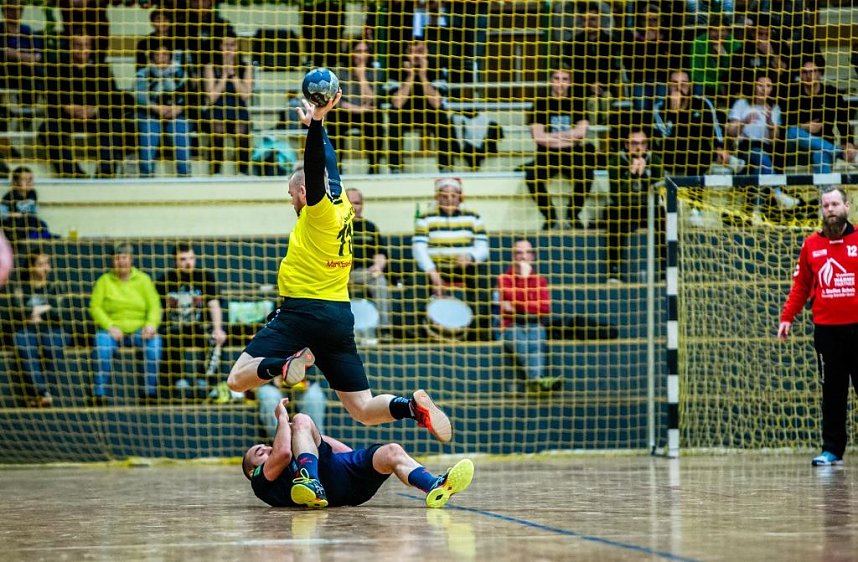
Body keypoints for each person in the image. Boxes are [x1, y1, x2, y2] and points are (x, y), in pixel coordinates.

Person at [227, 91, 453, 444]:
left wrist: (316, 121)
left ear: (303, 192)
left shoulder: (317, 211)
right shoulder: (343, 203)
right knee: (362, 409)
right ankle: (410, 407)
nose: (291, 201)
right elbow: (328, 164)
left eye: (291, 195)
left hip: (302, 311)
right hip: (337, 315)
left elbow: (316, 166)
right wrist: (317, 127)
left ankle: (285, 365)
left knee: (238, 379)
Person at [243, 396, 474, 508]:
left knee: (391, 451)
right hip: (321, 486)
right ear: (252, 470)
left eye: (263, 445)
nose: (266, 447)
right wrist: (283, 418)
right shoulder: (261, 481)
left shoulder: (300, 450)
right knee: (301, 417)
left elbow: (332, 447)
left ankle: (434, 485)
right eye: (259, 452)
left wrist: (353, 459)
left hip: (343, 480)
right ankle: (311, 483)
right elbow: (282, 452)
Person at [778, 186, 858, 467]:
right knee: (832, 394)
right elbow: (800, 286)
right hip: (827, 332)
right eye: (826, 205)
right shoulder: (811, 244)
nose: (831, 209)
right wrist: (787, 317)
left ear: (847, 207)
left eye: (835, 204)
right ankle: (832, 450)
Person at [412, 176, 492, 342]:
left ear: (460, 197)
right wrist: (433, 273)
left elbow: (483, 247)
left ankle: (477, 331)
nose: (449, 199)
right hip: (436, 267)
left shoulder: (473, 217)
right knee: (415, 281)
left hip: (463, 266)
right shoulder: (425, 217)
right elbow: (419, 248)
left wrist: (471, 257)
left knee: (484, 278)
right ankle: (415, 333)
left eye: (453, 196)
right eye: (444, 195)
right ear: (437, 197)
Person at [41, 34, 130, 178]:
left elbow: (112, 96)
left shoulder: (102, 68)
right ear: (70, 47)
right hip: (67, 117)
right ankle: (73, 173)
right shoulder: (57, 68)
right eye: (78, 45)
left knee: (115, 126)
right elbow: (50, 95)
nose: (82, 49)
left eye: (87, 45)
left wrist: (94, 109)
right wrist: (67, 107)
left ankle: (105, 172)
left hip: (95, 117)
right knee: (47, 130)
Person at [523, 67, 599, 230]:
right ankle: (550, 216)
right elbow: (538, 137)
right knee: (531, 177)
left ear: (570, 82)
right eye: (557, 78)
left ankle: (573, 214)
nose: (560, 83)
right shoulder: (541, 103)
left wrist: (553, 137)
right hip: (547, 154)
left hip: (572, 153)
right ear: (551, 81)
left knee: (587, 175)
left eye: (564, 79)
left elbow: (581, 133)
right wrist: (568, 137)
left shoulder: (577, 103)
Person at [89, 243, 162, 406]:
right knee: (101, 345)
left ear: (131, 259)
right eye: (117, 258)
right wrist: (109, 326)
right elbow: (95, 307)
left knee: (155, 345)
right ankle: (99, 394)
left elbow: (155, 305)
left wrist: (150, 325)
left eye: (124, 258)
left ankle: (149, 393)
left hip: (139, 331)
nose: (121, 262)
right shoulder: (104, 281)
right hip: (112, 331)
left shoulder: (143, 280)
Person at [155, 243, 226, 399]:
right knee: (168, 338)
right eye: (183, 259)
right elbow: (157, 309)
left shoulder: (205, 277)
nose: (188, 262)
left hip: (199, 327)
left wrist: (218, 328)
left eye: (191, 258)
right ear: (175, 261)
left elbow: (214, 304)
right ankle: (179, 382)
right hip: (175, 327)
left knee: (216, 338)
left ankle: (204, 379)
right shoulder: (165, 280)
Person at [496, 239, 560, 392]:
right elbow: (505, 309)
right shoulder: (503, 279)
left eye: (527, 252)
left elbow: (544, 308)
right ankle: (536, 379)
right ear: (512, 256)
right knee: (524, 343)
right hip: (511, 326)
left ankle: (535, 381)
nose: (523, 256)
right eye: (519, 252)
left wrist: (516, 306)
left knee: (536, 339)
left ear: (533, 256)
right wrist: (525, 282)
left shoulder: (540, 280)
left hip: (534, 324)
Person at [605, 126, 664, 282]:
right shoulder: (615, 161)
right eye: (634, 143)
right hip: (624, 208)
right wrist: (631, 174)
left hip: (647, 208)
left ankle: (666, 269)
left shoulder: (655, 160)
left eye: (643, 143)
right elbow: (617, 195)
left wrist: (643, 175)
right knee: (613, 215)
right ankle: (614, 271)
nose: (639, 147)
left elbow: (657, 192)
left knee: (664, 216)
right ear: (626, 145)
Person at [10, 250, 68, 407]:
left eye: (47, 264)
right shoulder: (20, 288)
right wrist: (45, 307)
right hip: (28, 328)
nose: (46, 268)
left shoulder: (56, 286)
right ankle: (42, 391)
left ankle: (41, 393)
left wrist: (35, 312)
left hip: (52, 328)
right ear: (30, 267)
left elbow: (59, 312)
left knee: (52, 344)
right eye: (41, 264)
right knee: (23, 343)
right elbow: (17, 312)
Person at [387, 40, 454, 174]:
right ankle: (395, 167)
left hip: (429, 113)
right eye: (412, 52)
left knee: (443, 118)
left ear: (427, 53)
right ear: (406, 54)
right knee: (394, 116)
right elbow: (397, 103)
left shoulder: (437, 68)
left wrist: (423, 76)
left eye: (420, 52)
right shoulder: (396, 69)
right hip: (405, 113)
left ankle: (445, 166)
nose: (416, 56)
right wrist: (410, 76)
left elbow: (436, 102)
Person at [782, 55, 857, 175]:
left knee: (819, 156)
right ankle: (837, 152)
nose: (808, 75)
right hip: (798, 147)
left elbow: (843, 121)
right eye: (805, 72)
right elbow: (786, 123)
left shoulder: (831, 93)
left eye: (813, 71)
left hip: (823, 142)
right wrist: (805, 127)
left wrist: (848, 143)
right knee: (792, 131)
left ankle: (827, 192)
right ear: (800, 75)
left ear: (819, 74)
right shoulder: (793, 94)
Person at [135, 40, 192, 177]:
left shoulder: (180, 72)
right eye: (158, 54)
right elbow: (141, 98)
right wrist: (156, 108)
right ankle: (146, 174)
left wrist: (178, 107)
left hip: (175, 113)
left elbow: (187, 94)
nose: (162, 58)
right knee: (149, 131)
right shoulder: (143, 73)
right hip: (150, 113)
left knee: (180, 129)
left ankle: (185, 174)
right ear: (152, 56)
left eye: (165, 54)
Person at [328, 40, 385, 174]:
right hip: (345, 110)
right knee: (335, 120)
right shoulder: (339, 70)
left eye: (365, 51)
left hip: (367, 111)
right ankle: (336, 168)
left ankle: (374, 167)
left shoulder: (375, 72)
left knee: (376, 120)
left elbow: (372, 99)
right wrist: (357, 109)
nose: (362, 55)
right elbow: (335, 100)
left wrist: (362, 76)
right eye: (358, 51)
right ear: (351, 53)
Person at [202, 30, 253, 175]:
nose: (229, 49)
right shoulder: (210, 67)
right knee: (217, 129)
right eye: (226, 45)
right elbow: (211, 97)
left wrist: (233, 75)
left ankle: (243, 172)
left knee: (241, 132)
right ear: (220, 47)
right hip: (217, 108)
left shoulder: (246, 67)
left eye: (232, 45)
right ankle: (216, 171)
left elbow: (245, 95)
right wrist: (224, 76)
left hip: (238, 108)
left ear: (237, 47)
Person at [346, 188, 391, 340]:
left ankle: (385, 329)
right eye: (350, 202)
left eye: (357, 203)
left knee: (380, 281)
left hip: (364, 273)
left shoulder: (370, 228)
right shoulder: (333, 225)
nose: (354, 206)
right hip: (336, 273)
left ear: (362, 205)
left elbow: (380, 253)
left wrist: (378, 267)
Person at [0, 0, 45, 107]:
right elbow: (3, 53)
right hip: (5, 72)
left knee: (36, 74)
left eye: (18, 10)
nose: (15, 13)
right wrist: (24, 56)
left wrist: (15, 54)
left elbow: (37, 56)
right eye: (11, 10)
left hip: (26, 71)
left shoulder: (27, 30)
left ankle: (27, 113)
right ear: (4, 12)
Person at [0, 166, 55, 243]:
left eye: (30, 179)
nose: (29, 182)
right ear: (15, 182)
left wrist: (33, 211)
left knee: (42, 224)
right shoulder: (10, 195)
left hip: (29, 220)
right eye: (24, 179)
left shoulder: (33, 193)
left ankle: (42, 237)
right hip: (16, 222)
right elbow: (2, 212)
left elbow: (33, 208)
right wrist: (11, 214)